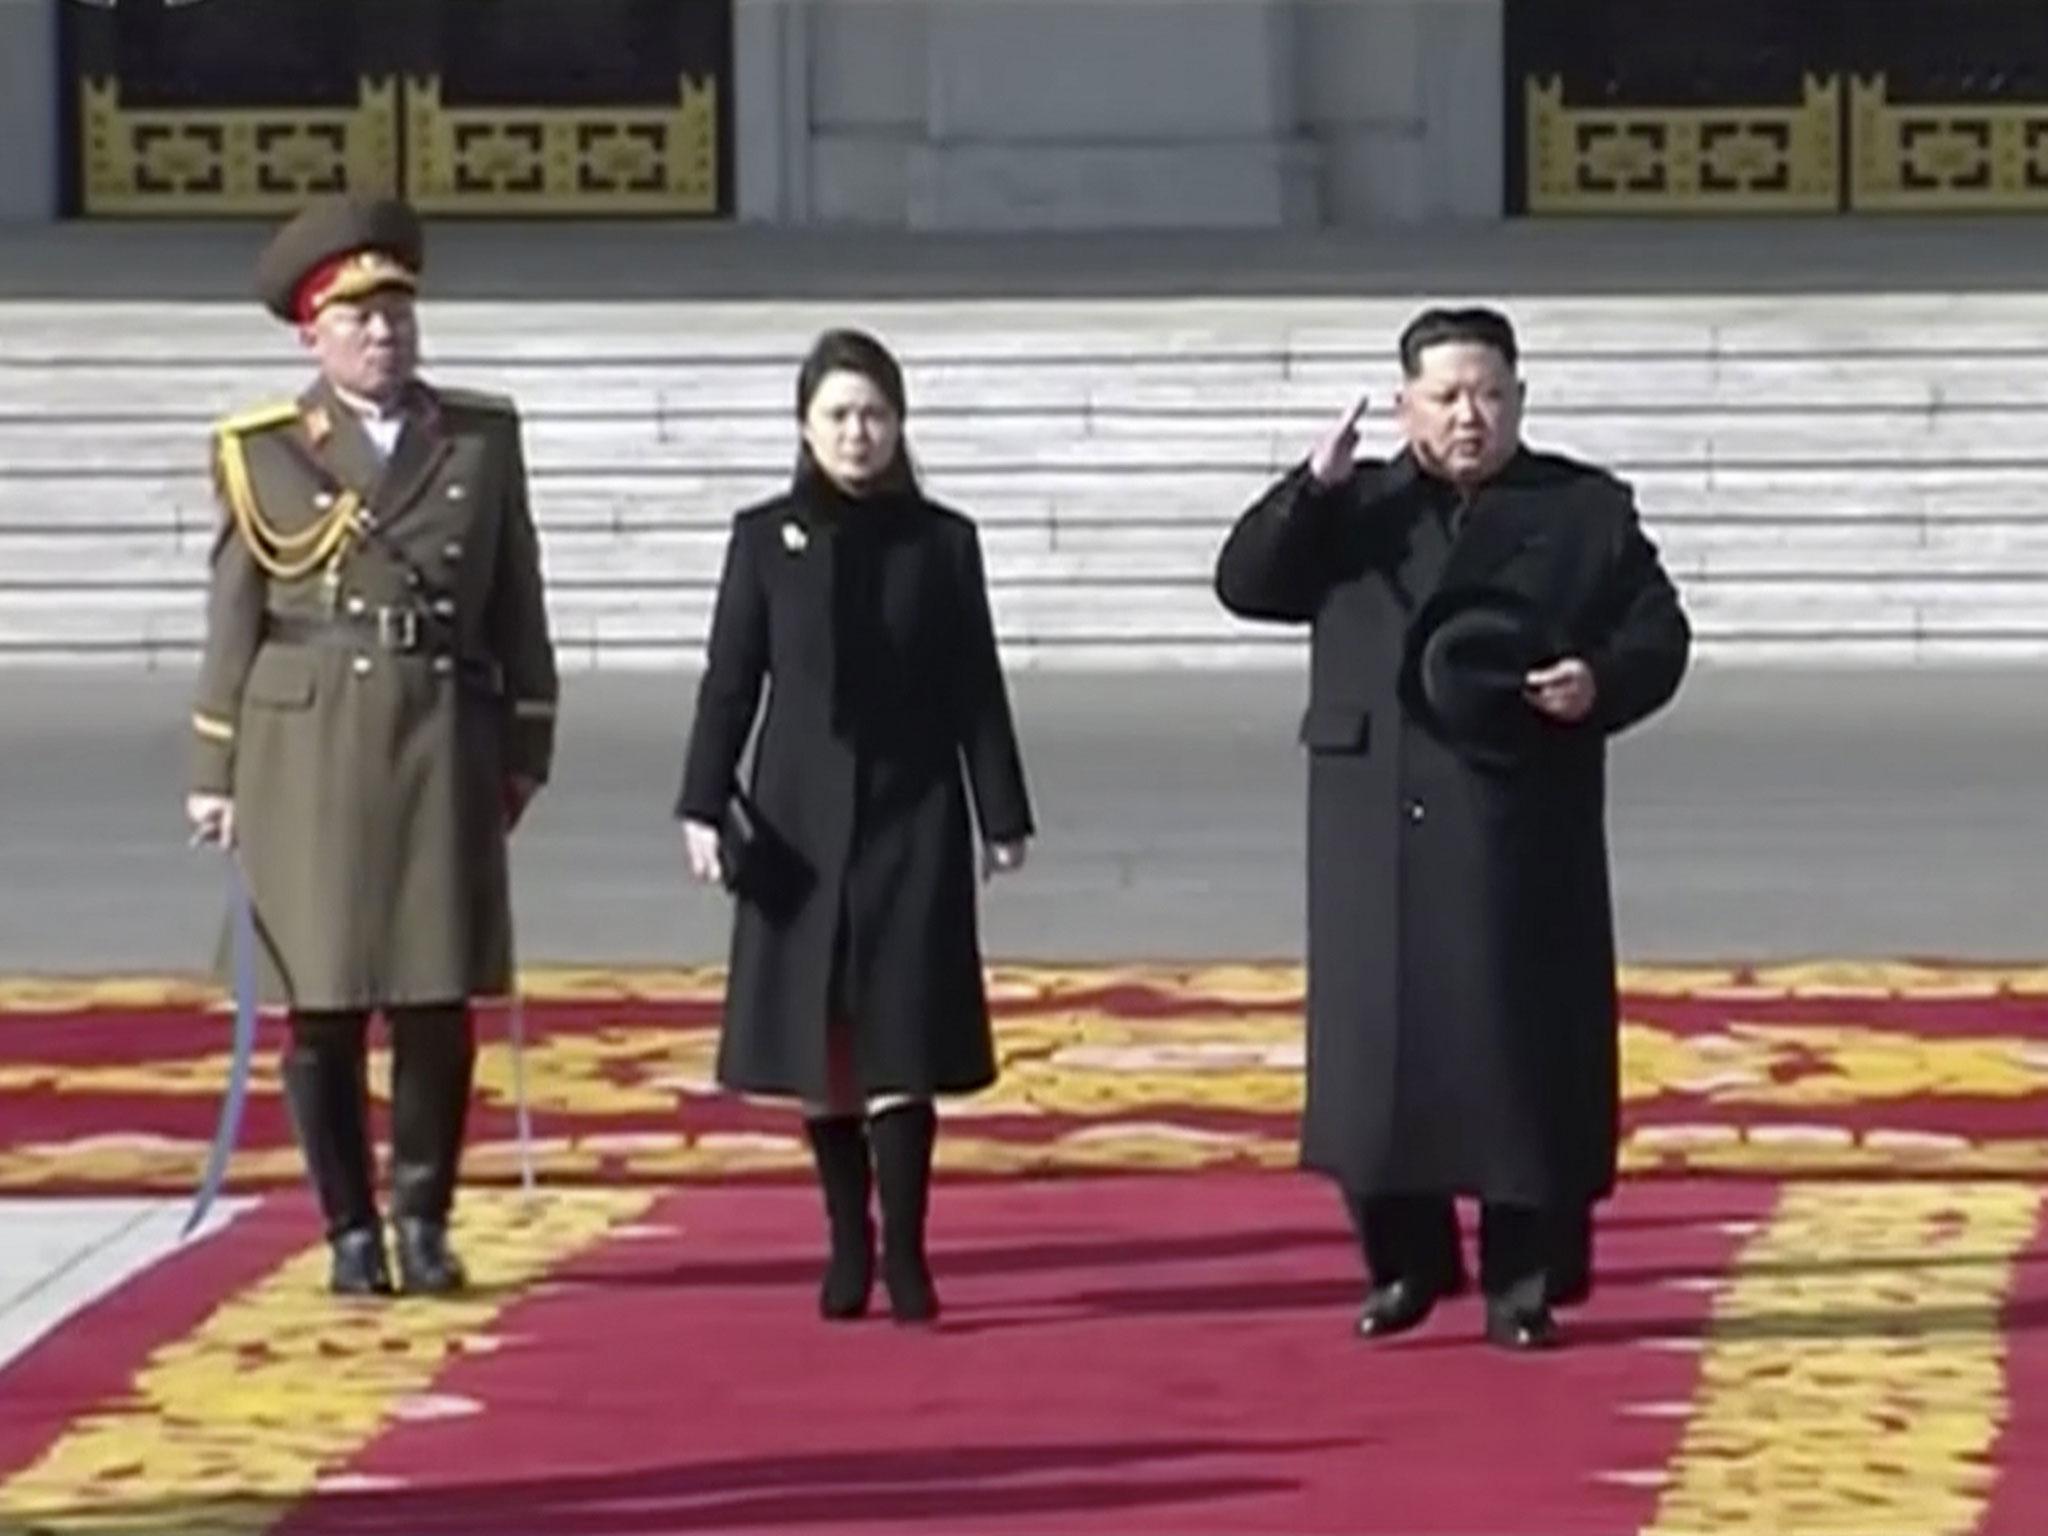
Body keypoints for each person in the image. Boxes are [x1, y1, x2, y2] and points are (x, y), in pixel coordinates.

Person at [1214, 305, 1690, 1350]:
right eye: (1443, 396)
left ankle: (1522, 1283)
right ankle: (1403, 1266)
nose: (1466, 416)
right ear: (1404, 405)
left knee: (1523, 1050)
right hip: (1373, 814)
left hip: (1517, 811)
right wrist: (1309, 487)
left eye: (1486, 394)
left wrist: (1597, 681)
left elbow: (1658, 634)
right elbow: (1243, 585)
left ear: (1517, 399)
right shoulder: (1354, 507)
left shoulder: (1578, 508)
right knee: (1379, 1054)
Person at [183, 194, 558, 1297]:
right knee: (327, 1002)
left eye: (397, 312)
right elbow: (234, 616)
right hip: (303, 743)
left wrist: (526, 739)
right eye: (359, 319)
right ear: (314, 333)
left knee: (437, 998)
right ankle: (349, 1226)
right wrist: (214, 771)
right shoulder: (263, 455)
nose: (385, 334)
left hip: (439, 727)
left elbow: (516, 601)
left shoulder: (479, 441)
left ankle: (424, 1216)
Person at [676, 328, 1034, 1325]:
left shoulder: (942, 541)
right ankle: (847, 1246)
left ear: (898, 424)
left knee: (900, 1034)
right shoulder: (763, 539)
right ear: (804, 426)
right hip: (793, 820)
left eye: (873, 414)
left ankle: (910, 1257)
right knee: (819, 1038)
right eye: (837, 415)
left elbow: (976, 687)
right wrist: (702, 802)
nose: (857, 433)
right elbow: (730, 681)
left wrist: (999, 811)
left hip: (911, 815)